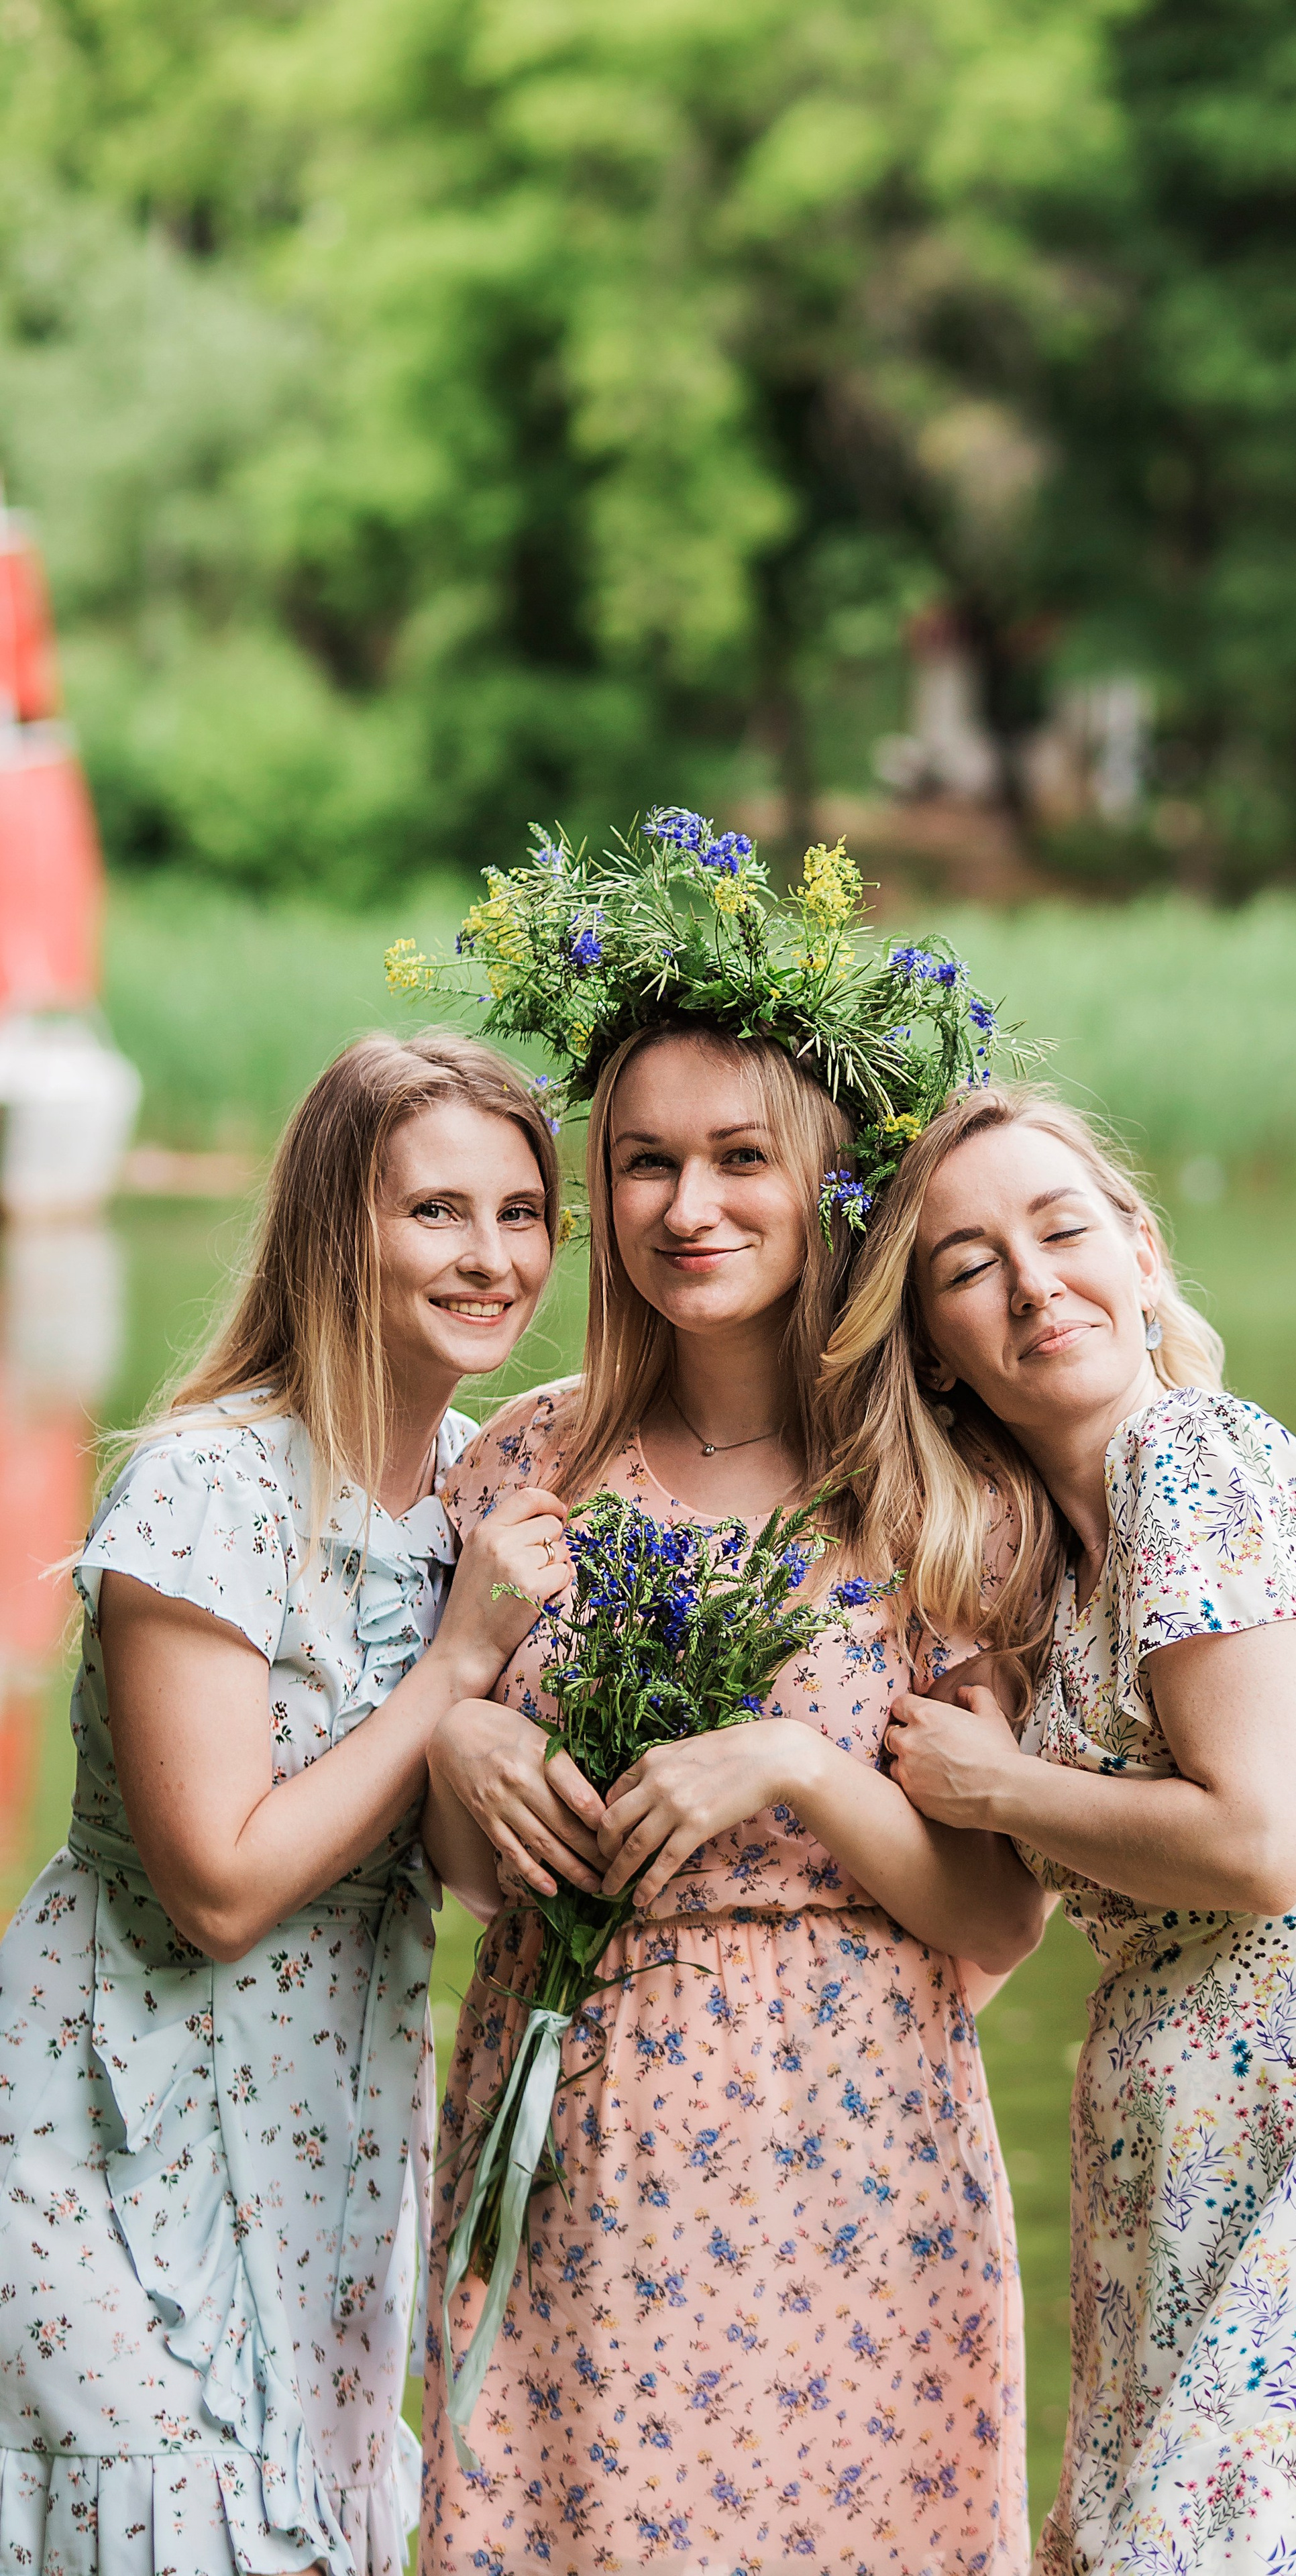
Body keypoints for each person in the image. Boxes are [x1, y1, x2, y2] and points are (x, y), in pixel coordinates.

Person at [822, 1085, 1296, 2575]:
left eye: (1061, 1230)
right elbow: (1002, 1915)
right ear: (929, 1344)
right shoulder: (1039, 1567)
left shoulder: (1192, 1458)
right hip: (1166, 2145)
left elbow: (1258, 1844)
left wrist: (992, 1786)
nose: (1034, 1281)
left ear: (1141, 1253)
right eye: (971, 1265)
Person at [417, 1016, 1050, 2575]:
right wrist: (457, 1743)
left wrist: (794, 1766)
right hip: (573, 2137)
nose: (686, 1206)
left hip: (852, 2166)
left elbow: (996, 1914)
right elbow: (460, 1876)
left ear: (828, 1184)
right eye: (646, 1162)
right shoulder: (524, 1459)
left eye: (739, 1158)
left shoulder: (936, 1493)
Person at [0, 1032, 570, 2576]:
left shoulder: (480, 1490)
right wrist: (459, 1663)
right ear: (338, 1229)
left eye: (521, 1214)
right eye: (436, 1212)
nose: (490, 1257)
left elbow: (460, 1860)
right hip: (118, 2129)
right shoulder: (208, 1484)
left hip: (336, 2121)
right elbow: (221, 1887)